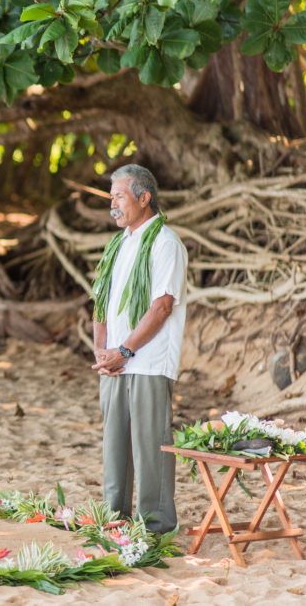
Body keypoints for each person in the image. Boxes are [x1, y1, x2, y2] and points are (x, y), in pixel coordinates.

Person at [91, 164, 187, 534]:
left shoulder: (165, 243)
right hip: (115, 364)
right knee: (114, 449)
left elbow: (162, 306)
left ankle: (156, 526)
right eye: (111, 197)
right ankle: (114, 520)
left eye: (119, 197)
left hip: (146, 364)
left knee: (151, 451)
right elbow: (101, 302)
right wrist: (102, 351)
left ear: (144, 198)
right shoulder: (119, 244)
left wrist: (126, 351)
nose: (113, 205)